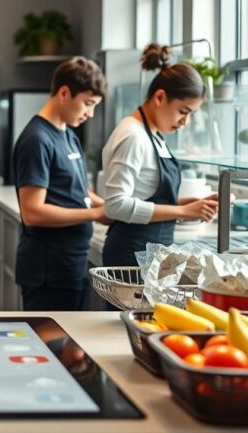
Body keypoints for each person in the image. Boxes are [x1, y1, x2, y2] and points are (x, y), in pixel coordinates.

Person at [100, 43, 219, 267]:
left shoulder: (153, 135)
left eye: (191, 114)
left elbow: (147, 195)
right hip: (130, 254)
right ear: (160, 97)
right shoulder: (133, 136)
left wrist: (193, 205)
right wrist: (182, 210)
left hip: (153, 252)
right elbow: (115, 205)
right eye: (183, 112)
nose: (186, 122)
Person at [13, 57, 110, 311]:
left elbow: (79, 190)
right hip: (48, 271)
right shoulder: (37, 140)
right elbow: (32, 212)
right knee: (48, 347)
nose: (90, 114)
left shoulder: (67, 134)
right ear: (65, 93)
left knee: (69, 349)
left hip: (71, 263)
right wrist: (96, 214)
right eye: (88, 104)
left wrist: (113, 207)